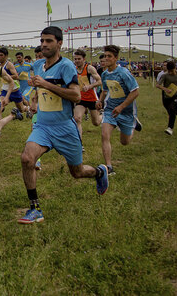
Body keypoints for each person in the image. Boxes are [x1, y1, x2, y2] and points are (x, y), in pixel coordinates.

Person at [18, 27, 108, 224]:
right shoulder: (39, 64)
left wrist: (46, 85)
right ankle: (35, 209)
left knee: (77, 172)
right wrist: (34, 97)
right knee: (27, 159)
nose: (44, 45)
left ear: (59, 43)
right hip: (42, 125)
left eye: (49, 41)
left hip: (64, 128)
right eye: (42, 41)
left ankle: (100, 172)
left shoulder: (66, 66)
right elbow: (38, 88)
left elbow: (76, 95)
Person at [96, 45, 140, 175]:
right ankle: (109, 167)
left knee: (124, 142)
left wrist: (121, 107)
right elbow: (105, 90)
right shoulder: (104, 74)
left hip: (126, 111)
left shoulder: (123, 73)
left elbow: (135, 92)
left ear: (116, 58)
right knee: (104, 135)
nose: (106, 58)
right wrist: (100, 100)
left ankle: (134, 124)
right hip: (110, 110)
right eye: (105, 56)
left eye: (110, 56)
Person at [72, 49, 102, 139]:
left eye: (79, 59)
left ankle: (102, 115)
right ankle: (79, 144)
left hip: (92, 98)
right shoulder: (74, 69)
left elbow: (100, 81)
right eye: (75, 59)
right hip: (80, 98)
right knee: (77, 118)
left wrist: (90, 86)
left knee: (96, 122)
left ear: (84, 59)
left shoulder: (89, 68)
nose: (77, 61)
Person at [155, 60, 177, 135]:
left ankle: (170, 128)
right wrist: (166, 89)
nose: (170, 73)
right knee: (170, 110)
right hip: (167, 96)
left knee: (172, 110)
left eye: (171, 71)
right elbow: (158, 85)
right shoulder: (165, 75)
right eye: (169, 71)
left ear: (175, 68)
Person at [0, 47, 26, 120]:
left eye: (1, 55)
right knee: (0, 106)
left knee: (22, 109)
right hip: (5, 91)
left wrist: (6, 76)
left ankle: (28, 109)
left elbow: (16, 75)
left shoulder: (9, 65)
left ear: (6, 56)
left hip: (14, 90)